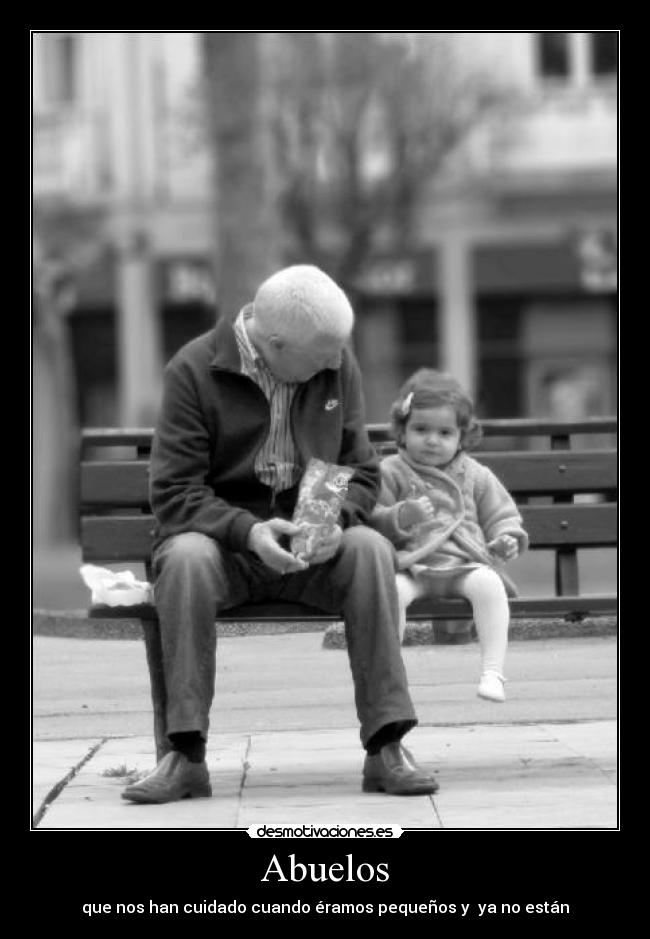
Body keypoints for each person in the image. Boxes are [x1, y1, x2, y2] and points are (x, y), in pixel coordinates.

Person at [122, 265, 438, 804]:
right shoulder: (193, 370)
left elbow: (361, 471)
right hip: (226, 549)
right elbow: (174, 493)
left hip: (313, 548)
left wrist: (337, 523)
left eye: (339, 351)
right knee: (186, 559)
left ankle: (387, 746)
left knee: (369, 549)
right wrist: (247, 531)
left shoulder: (332, 360)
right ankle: (185, 755)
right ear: (273, 343)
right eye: (323, 354)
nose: (336, 363)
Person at [370, 369, 528, 703]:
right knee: (391, 592)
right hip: (412, 567)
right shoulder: (391, 471)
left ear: (462, 436)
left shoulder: (475, 474)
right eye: (421, 429)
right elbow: (373, 520)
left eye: (444, 432)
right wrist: (402, 515)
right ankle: (390, 677)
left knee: (490, 584)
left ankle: (493, 672)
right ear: (402, 431)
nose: (431, 440)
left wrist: (506, 538)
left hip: (463, 564)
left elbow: (501, 514)